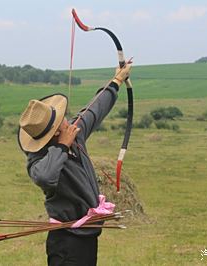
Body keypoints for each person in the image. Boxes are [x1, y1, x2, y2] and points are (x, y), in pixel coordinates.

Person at [17, 64, 132, 266]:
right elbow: (45, 177)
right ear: (54, 133)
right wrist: (62, 147)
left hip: (87, 235)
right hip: (66, 241)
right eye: (61, 121)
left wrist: (117, 81)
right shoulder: (39, 160)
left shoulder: (72, 133)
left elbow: (94, 110)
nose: (67, 122)